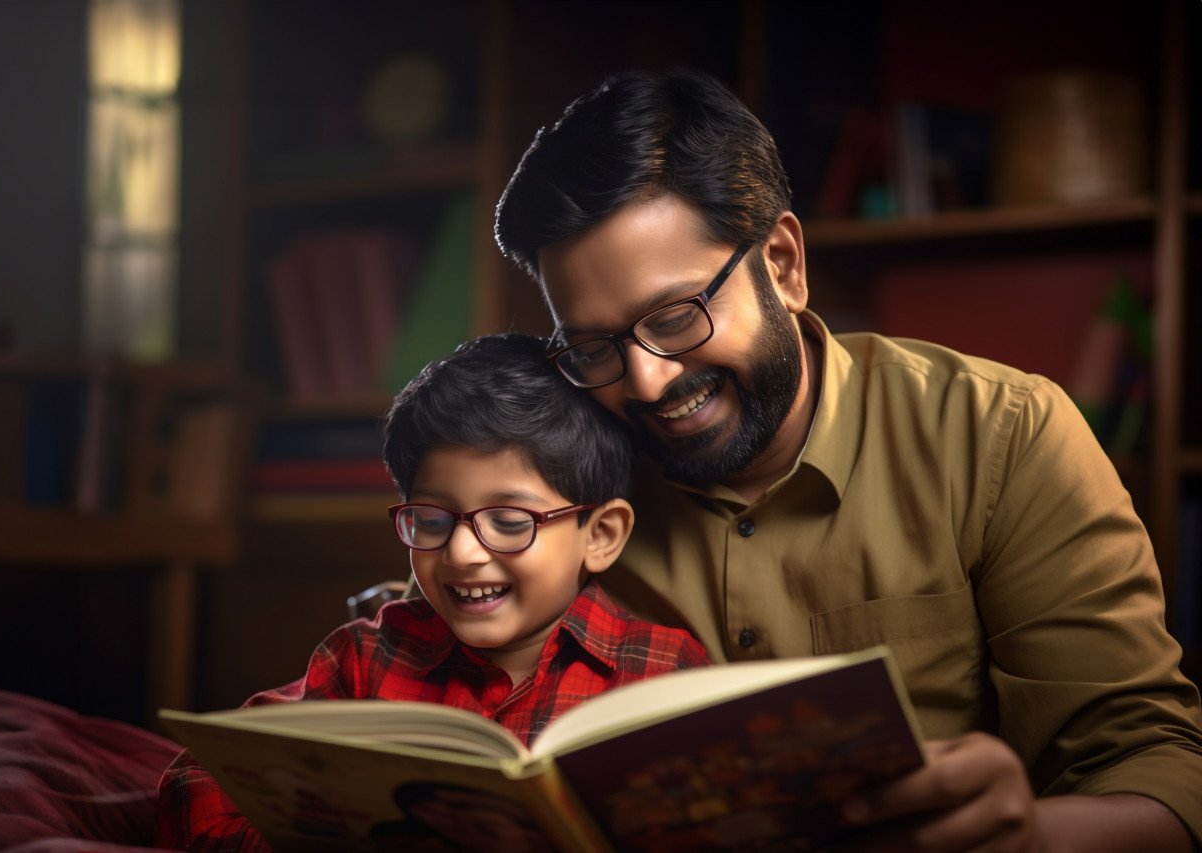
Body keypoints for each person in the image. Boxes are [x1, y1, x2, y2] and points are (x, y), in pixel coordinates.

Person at [494, 68, 1202, 852]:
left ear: (785, 265)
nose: (646, 380)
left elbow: (1157, 768)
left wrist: (1035, 833)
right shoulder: (565, 477)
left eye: (674, 317)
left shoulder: (1004, 434)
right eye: (593, 347)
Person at [155, 333, 710, 851]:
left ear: (600, 535)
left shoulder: (662, 670)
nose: (462, 553)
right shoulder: (367, 659)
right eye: (431, 518)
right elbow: (197, 782)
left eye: (510, 520)